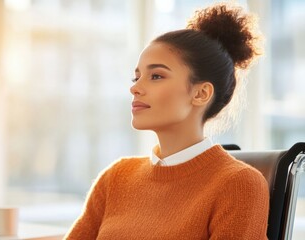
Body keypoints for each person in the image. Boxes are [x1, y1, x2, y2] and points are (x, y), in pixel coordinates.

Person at [65, 3, 269, 240]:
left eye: (156, 76)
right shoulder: (116, 177)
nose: (135, 88)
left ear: (201, 93)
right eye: (137, 76)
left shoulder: (239, 185)